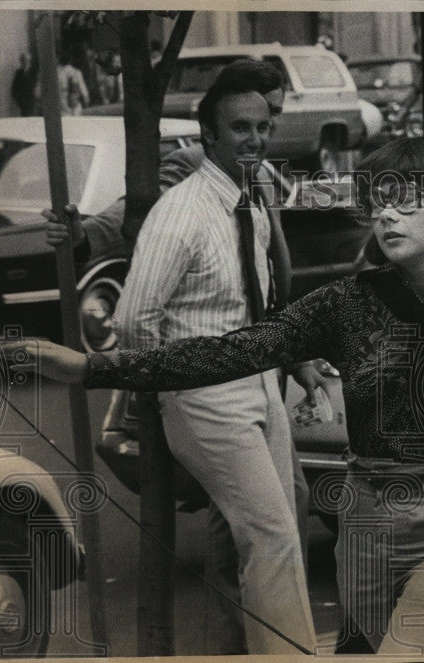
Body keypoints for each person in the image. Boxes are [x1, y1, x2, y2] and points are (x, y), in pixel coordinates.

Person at [5, 136, 424, 655]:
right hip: (364, 523)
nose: (387, 214)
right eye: (378, 201)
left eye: (408, 201)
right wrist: (91, 367)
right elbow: (229, 352)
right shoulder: (349, 301)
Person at [121, 74, 316, 654]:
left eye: (262, 127)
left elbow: (261, 294)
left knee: (282, 531)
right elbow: (134, 320)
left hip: (258, 381)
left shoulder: (251, 195)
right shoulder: (180, 212)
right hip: (206, 392)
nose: (254, 139)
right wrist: (173, 387)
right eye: (239, 128)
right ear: (208, 135)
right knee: (272, 537)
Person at [56, 50, 89, 115]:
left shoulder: (58, 73)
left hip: (62, 99)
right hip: (74, 99)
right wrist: (86, 98)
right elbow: (82, 87)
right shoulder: (76, 72)